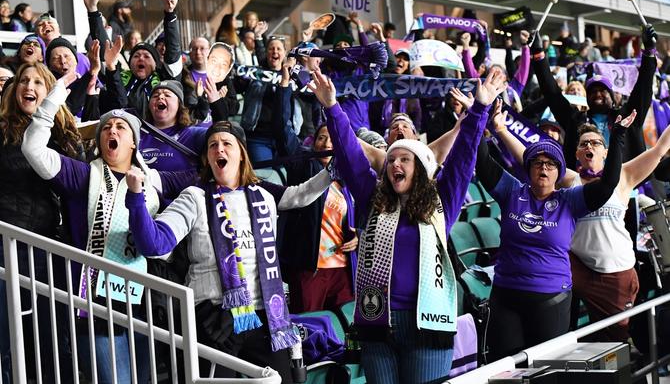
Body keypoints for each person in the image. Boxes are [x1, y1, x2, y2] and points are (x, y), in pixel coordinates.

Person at [309, 67, 504, 384]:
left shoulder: (443, 201)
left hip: (428, 328)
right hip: (377, 325)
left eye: (404, 159)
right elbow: (348, 153)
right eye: (391, 160)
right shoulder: (371, 197)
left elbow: (463, 158)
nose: (395, 164)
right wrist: (332, 107)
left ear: (422, 169)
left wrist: (480, 108)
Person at [124, 120, 334, 382]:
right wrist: (135, 197)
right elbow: (154, 245)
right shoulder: (194, 197)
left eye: (226, 144)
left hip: (265, 316)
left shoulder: (264, 197)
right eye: (212, 145)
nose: (218, 149)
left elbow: (299, 197)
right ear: (207, 158)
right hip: (214, 317)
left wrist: (334, 170)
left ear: (242, 153)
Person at [22, 75, 197, 383]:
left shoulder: (153, 181)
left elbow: (204, 174)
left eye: (120, 127)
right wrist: (56, 94)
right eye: (106, 128)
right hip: (95, 301)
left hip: (145, 299)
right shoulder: (82, 174)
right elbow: (34, 149)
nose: (111, 131)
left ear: (134, 142)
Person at [475, 98, 634, 360]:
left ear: (559, 172)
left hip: (551, 299)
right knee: (505, 371)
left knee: (546, 372)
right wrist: (481, 120)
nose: (544, 168)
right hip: (506, 296)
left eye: (551, 164)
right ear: (528, 168)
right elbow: (483, 164)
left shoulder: (570, 200)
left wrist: (616, 137)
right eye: (537, 162)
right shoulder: (512, 191)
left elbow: (607, 186)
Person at [0, 62, 82, 383]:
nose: (28, 86)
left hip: (49, 246)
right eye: (23, 80)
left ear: (50, 92)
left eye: (37, 81)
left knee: (50, 331)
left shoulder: (63, 135)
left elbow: (76, 182)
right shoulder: (2, 128)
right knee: (10, 330)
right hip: (8, 244)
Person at [273, 61, 358, 313]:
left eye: (331, 138)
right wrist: (284, 85)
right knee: (310, 331)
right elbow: (283, 130)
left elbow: (362, 215)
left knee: (346, 332)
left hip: (343, 269)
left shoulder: (349, 179)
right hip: (309, 270)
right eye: (321, 137)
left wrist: (359, 234)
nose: (325, 142)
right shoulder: (303, 166)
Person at [531, 25, 656, 169]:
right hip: (584, 186)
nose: (597, 94)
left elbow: (644, 86)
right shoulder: (575, 120)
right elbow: (552, 94)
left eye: (603, 91)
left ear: (613, 97)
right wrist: (539, 55)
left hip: (626, 187)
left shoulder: (627, 117)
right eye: (592, 91)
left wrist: (649, 52)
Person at [139, 79, 207, 171]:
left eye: (167, 95)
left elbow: (222, 135)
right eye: (155, 95)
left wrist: (216, 103)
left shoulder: (193, 134)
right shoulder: (137, 134)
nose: (160, 97)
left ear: (179, 105)